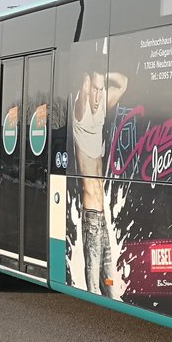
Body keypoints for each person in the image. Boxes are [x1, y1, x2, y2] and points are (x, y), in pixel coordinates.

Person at [71, 65, 128, 297]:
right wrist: (88, 79)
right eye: (93, 89)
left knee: (109, 285)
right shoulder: (80, 111)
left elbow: (123, 82)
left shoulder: (101, 109)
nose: (97, 95)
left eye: (100, 89)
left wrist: (103, 77)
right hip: (91, 217)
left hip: (102, 217)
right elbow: (84, 89)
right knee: (93, 286)